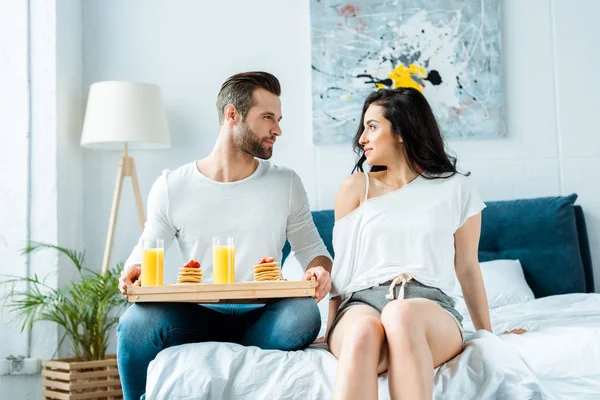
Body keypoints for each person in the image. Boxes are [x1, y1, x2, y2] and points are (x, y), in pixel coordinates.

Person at [117, 71, 332, 400]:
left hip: (265, 314)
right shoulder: (172, 186)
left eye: (279, 118)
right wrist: (134, 269)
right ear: (233, 115)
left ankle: (233, 350)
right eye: (268, 117)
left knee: (303, 315)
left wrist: (320, 269)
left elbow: (313, 249)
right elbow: (149, 248)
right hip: (196, 315)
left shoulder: (286, 183)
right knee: (135, 324)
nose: (278, 129)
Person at [325, 87, 524, 400]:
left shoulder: (457, 187)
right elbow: (342, 268)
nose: (362, 138)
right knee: (364, 331)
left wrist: (488, 333)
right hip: (362, 304)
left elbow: (468, 267)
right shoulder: (355, 187)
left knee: (400, 314)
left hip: (429, 307)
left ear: (402, 131)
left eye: (372, 127)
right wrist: (328, 329)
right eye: (363, 128)